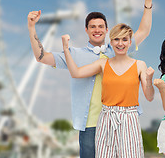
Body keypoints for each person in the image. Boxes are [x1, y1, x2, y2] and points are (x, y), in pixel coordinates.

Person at [27, 0, 154, 158]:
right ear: (86, 30)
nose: (97, 30)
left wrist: (147, 3)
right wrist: (32, 27)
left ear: (107, 30)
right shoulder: (74, 54)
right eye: (92, 26)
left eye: (101, 26)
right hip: (90, 122)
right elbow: (41, 57)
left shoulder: (118, 48)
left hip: (122, 120)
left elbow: (143, 31)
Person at [61, 23, 154, 158]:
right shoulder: (103, 64)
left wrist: (149, 80)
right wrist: (65, 48)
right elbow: (76, 73)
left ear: (130, 42)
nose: (120, 43)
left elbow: (150, 97)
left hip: (129, 119)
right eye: (116, 39)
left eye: (124, 39)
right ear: (111, 41)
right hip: (106, 118)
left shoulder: (140, 65)